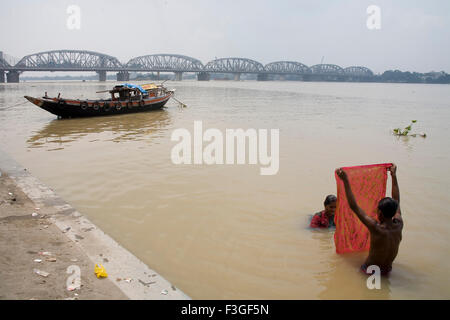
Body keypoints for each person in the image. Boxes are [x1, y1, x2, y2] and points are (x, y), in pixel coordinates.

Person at [335, 163, 403, 275]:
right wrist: (394, 176)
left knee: (371, 290)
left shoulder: (376, 228)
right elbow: (397, 200)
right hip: (387, 270)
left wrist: (345, 181)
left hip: (371, 271)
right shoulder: (399, 224)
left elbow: (354, 207)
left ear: (380, 213)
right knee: (382, 291)